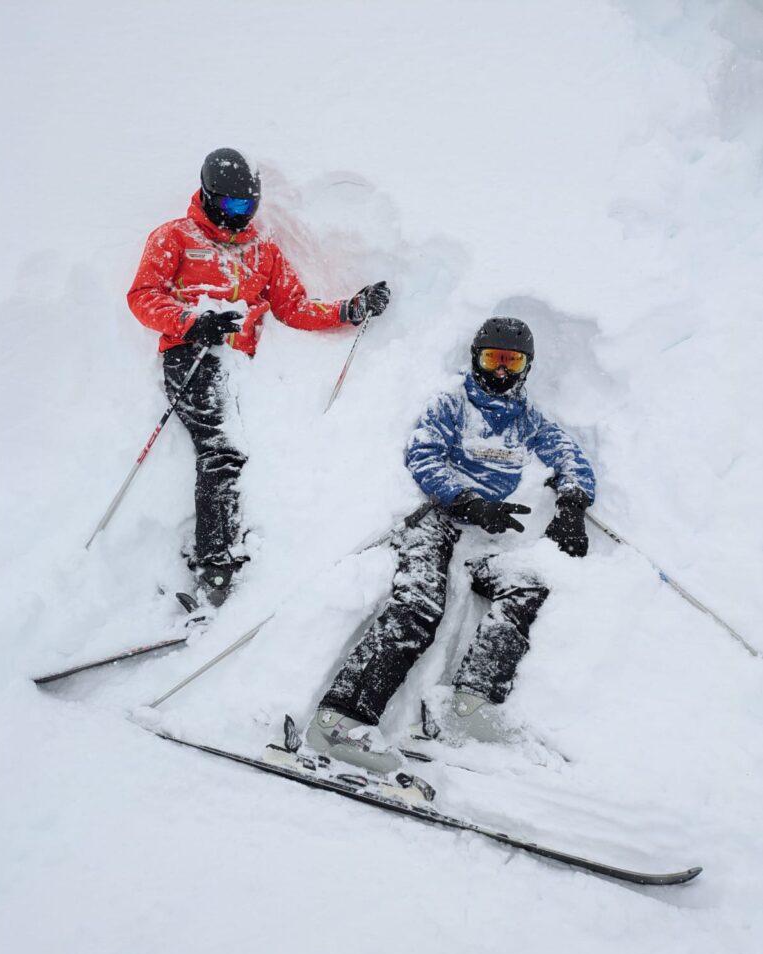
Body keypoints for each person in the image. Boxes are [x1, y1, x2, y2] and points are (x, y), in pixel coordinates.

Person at [305, 316, 595, 773]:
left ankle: (471, 704)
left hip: (485, 536)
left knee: (526, 584)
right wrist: (466, 500)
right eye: (492, 359)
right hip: (437, 519)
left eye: (511, 361)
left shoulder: (528, 420)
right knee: (419, 607)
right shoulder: (452, 406)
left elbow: (570, 456)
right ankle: (339, 719)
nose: (501, 372)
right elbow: (423, 454)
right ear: (475, 359)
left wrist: (573, 504)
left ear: (526, 367)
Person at [128, 147, 390, 604]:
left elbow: (294, 307)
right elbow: (143, 296)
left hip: (238, 366)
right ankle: (215, 568)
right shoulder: (175, 237)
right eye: (230, 206)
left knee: (243, 450)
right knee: (222, 449)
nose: (239, 216)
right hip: (193, 353)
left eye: (248, 207)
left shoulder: (262, 252)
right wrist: (192, 321)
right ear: (208, 197)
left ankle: (233, 558)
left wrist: (350, 309)